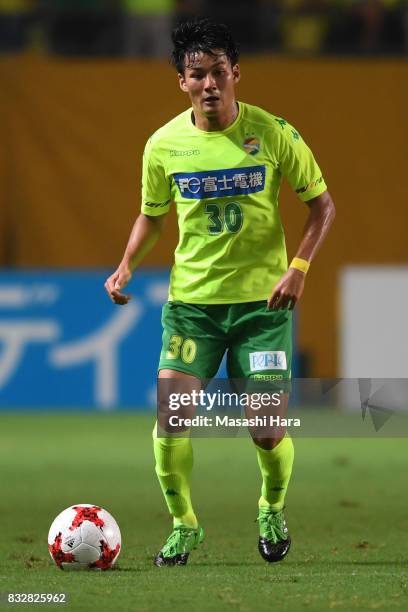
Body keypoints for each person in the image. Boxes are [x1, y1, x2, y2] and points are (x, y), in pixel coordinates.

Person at [105, 17, 335, 566]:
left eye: (217, 73)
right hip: (192, 309)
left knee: (265, 429)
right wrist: (125, 264)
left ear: (236, 73)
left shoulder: (274, 133)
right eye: (196, 74)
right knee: (171, 417)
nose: (209, 84)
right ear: (182, 82)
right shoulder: (163, 146)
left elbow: (322, 205)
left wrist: (299, 265)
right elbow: (151, 216)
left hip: (263, 307)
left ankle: (271, 508)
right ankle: (185, 525)